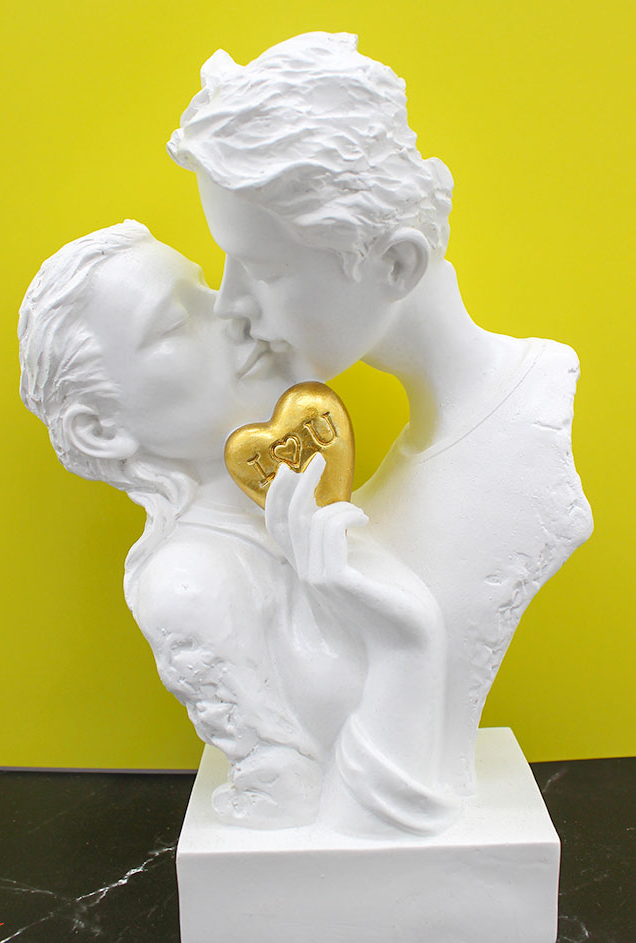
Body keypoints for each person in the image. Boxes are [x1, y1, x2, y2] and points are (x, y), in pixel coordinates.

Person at [168, 31, 595, 794]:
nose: (230, 305)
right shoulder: (393, 462)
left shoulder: (521, 439)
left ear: (395, 263)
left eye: (263, 269)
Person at [19, 221, 457, 835]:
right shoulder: (190, 588)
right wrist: (403, 642)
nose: (233, 311)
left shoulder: (299, 514)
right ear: (101, 430)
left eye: (206, 288)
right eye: (175, 322)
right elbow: (287, 793)